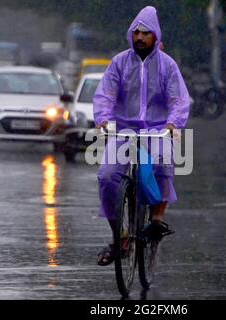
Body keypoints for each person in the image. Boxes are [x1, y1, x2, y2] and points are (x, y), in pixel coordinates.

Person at [93, 6, 190, 266]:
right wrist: (103, 118)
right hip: (124, 131)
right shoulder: (119, 62)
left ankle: (156, 220)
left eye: (145, 33)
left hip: (158, 130)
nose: (139, 37)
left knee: (161, 163)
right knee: (106, 176)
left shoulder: (168, 66)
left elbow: (178, 99)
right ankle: (118, 238)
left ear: (155, 35)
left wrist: (173, 124)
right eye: (135, 32)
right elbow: (105, 94)